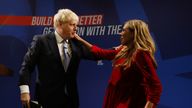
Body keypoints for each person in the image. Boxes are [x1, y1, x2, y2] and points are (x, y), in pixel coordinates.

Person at [74, 19, 163, 108]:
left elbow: (156, 86)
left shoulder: (140, 54)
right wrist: (78, 39)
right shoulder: (124, 49)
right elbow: (102, 53)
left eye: (124, 30)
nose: (120, 33)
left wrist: (148, 106)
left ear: (133, 34)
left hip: (128, 101)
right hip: (115, 97)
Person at [18, 8, 94, 108]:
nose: (76, 28)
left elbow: (96, 54)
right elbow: (26, 67)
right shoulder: (41, 41)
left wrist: (118, 50)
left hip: (71, 101)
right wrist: (24, 92)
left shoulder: (76, 44)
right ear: (60, 24)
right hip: (46, 100)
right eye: (72, 25)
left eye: (76, 25)